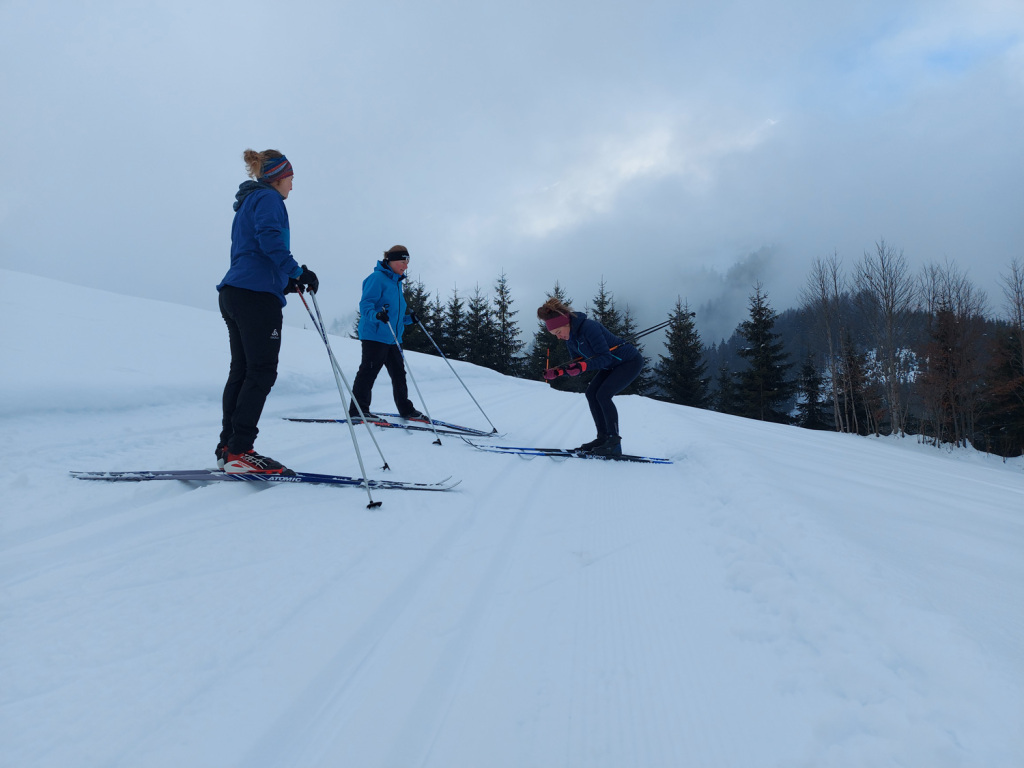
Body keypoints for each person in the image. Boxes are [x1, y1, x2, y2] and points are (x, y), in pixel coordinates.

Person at [216, 149, 318, 474]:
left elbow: (252, 252)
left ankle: (229, 446)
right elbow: (270, 240)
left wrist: (285, 282)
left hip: (236, 292)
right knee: (261, 371)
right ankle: (241, 450)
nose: (292, 186)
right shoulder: (270, 200)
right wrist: (296, 272)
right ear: (278, 177)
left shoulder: (249, 202)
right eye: (290, 178)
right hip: (255, 298)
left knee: (243, 371)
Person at [537, 297, 643, 456]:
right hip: (610, 365)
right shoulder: (571, 338)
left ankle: (614, 443)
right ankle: (603, 438)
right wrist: (559, 372)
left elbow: (604, 357)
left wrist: (581, 366)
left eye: (558, 332)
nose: (558, 337)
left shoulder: (589, 327)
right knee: (591, 394)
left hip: (629, 362)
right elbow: (578, 363)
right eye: (555, 335)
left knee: (603, 395)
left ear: (566, 323)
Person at [348, 245, 425, 420]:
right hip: (375, 335)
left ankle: (406, 410)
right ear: (390, 261)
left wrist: (408, 319)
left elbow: (393, 316)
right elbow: (366, 305)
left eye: (407, 262)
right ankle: (358, 411)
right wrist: (376, 315)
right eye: (402, 261)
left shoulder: (396, 282)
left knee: (399, 375)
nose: (405, 266)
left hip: (394, 338)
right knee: (368, 372)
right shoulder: (377, 278)